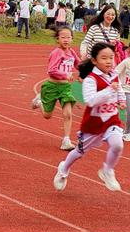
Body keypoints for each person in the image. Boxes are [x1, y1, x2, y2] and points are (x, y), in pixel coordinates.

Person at [53, 43, 125, 192]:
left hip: (112, 119)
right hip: (93, 124)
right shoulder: (90, 80)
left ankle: (107, 170)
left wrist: (121, 99)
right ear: (94, 61)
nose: (108, 61)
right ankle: (63, 168)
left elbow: (119, 89)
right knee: (79, 152)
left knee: (118, 144)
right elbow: (91, 100)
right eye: (104, 58)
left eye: (111, 58)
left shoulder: (114, 75)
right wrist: (108, 90)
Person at [32, 27, 80, 151]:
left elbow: (79, 64)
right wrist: (66, 75)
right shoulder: (57, 53)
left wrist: (86, 71)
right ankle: (39, 102)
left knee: (68, 113)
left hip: (66, 87)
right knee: (47, 115)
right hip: (52, 86)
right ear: (57, 39)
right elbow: (51, 70)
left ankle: (66, 140)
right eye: (63, 37)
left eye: (68, 37)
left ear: (72, 39)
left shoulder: (72, 52)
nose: (66, 40)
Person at [115, 46, 130, 142]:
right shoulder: (126, 62)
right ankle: (127, 132)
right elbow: (115, 72)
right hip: (126, 91)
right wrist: (118, 85)